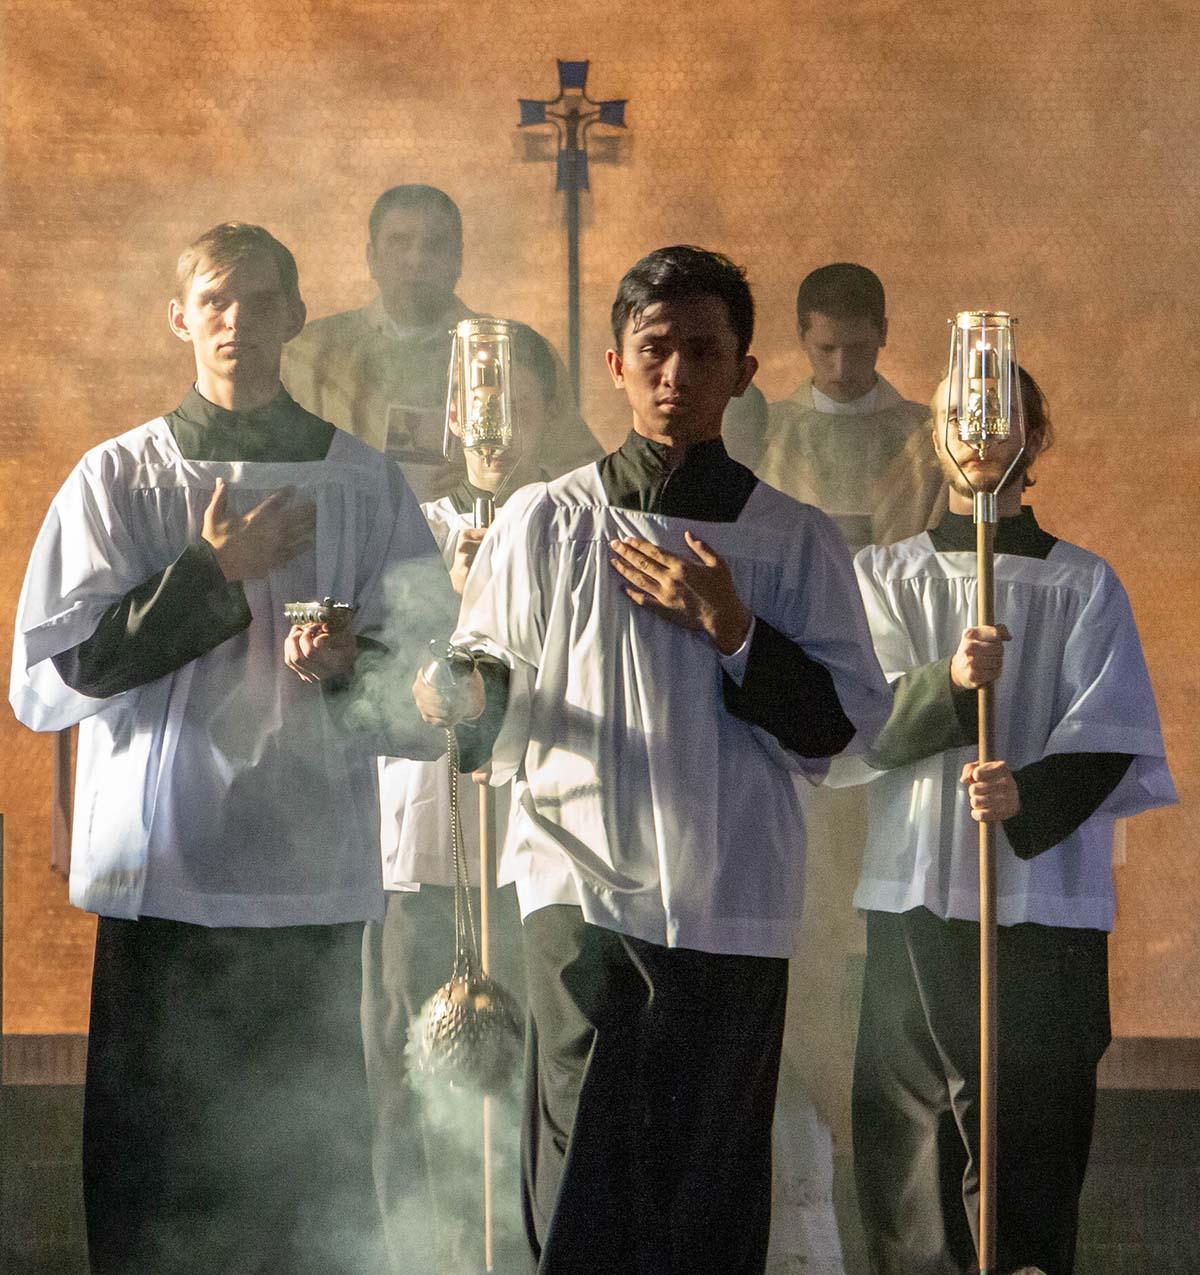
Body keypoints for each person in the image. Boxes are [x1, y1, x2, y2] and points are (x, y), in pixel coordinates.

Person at [413, 245, 892, 1274]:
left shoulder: (792, 541)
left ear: (743, 372)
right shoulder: (550, 519)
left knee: (708, 1192)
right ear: (619, 367)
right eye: (656, 349)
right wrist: (459, 693)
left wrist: (735, 631)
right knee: (584, 1169)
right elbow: (490, 671)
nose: (677, 374)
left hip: (732, 900)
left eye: (703, 352)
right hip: (576, 888)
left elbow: (847, 728)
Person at [9, 222, 451, 1275]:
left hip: (305, 881)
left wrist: (353, 664)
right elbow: (52, 679)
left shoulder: (363, 483)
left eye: (261, 300)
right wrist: (213, 572)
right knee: (154, 1177)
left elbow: (433, 682)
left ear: (298, 315)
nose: (237, 322)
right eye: (215, 300)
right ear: (180, 317)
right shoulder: (120, 478)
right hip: (163, 882)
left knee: (301, 1172)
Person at [835, 368, 1176, 1274]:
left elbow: (1116, 728)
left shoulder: (1083, 585)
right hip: (917, 901)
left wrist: (1031, 794)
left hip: (1045, 910)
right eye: (958, 415)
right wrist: (946, 686)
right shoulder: (887, 575)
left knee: (1035, 1135)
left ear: (1037, 433)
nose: (978, 432)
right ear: (936, 433)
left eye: (1000, 416)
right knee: (915, 1150)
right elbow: (852, 720)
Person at [362, 323, 558, 1274]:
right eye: (481, 404)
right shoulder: (412, 527)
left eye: (515, 402)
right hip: (425, 848)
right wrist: (449, 596)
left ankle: (522, 1254)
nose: (494, 425)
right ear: (451, 414)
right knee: (413, 1074)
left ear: (546, 413)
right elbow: (378, 667)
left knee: (529, 1074)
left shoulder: (568, 522)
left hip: (532, 851)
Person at [281, 183, 600, 502]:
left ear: (458, 259)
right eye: (399, 242)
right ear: (372, 258)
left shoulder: (514, 351)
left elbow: (577, 474)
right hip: (352, 541)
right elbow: (280, 473)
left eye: (435, 245)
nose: (416, 258)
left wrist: (488, 472)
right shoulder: (310, 354)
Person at [754, 262, 943, 553]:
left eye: (857, 349)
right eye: (827, 349)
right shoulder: (763, 431)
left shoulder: (931, 437)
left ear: (883, 333)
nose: (841, 370)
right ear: (801, 335)